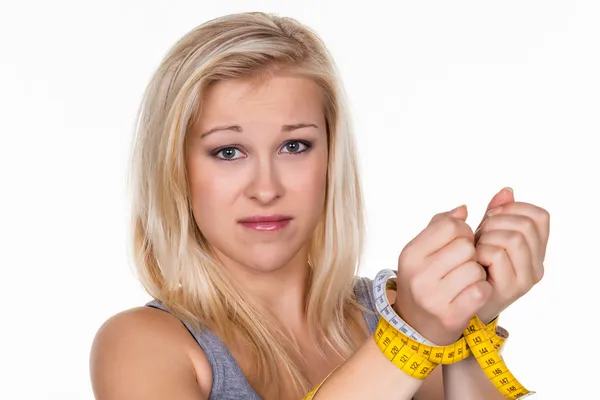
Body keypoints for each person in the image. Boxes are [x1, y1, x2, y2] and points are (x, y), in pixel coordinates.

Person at [89, 11, 549, 400]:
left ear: (331, 158)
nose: (266, 189)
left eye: (294, 146)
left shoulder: (397, 312)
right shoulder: (141, 347)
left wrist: (472, 324)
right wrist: (411, 337)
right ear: (175, 169)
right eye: (228, 151)